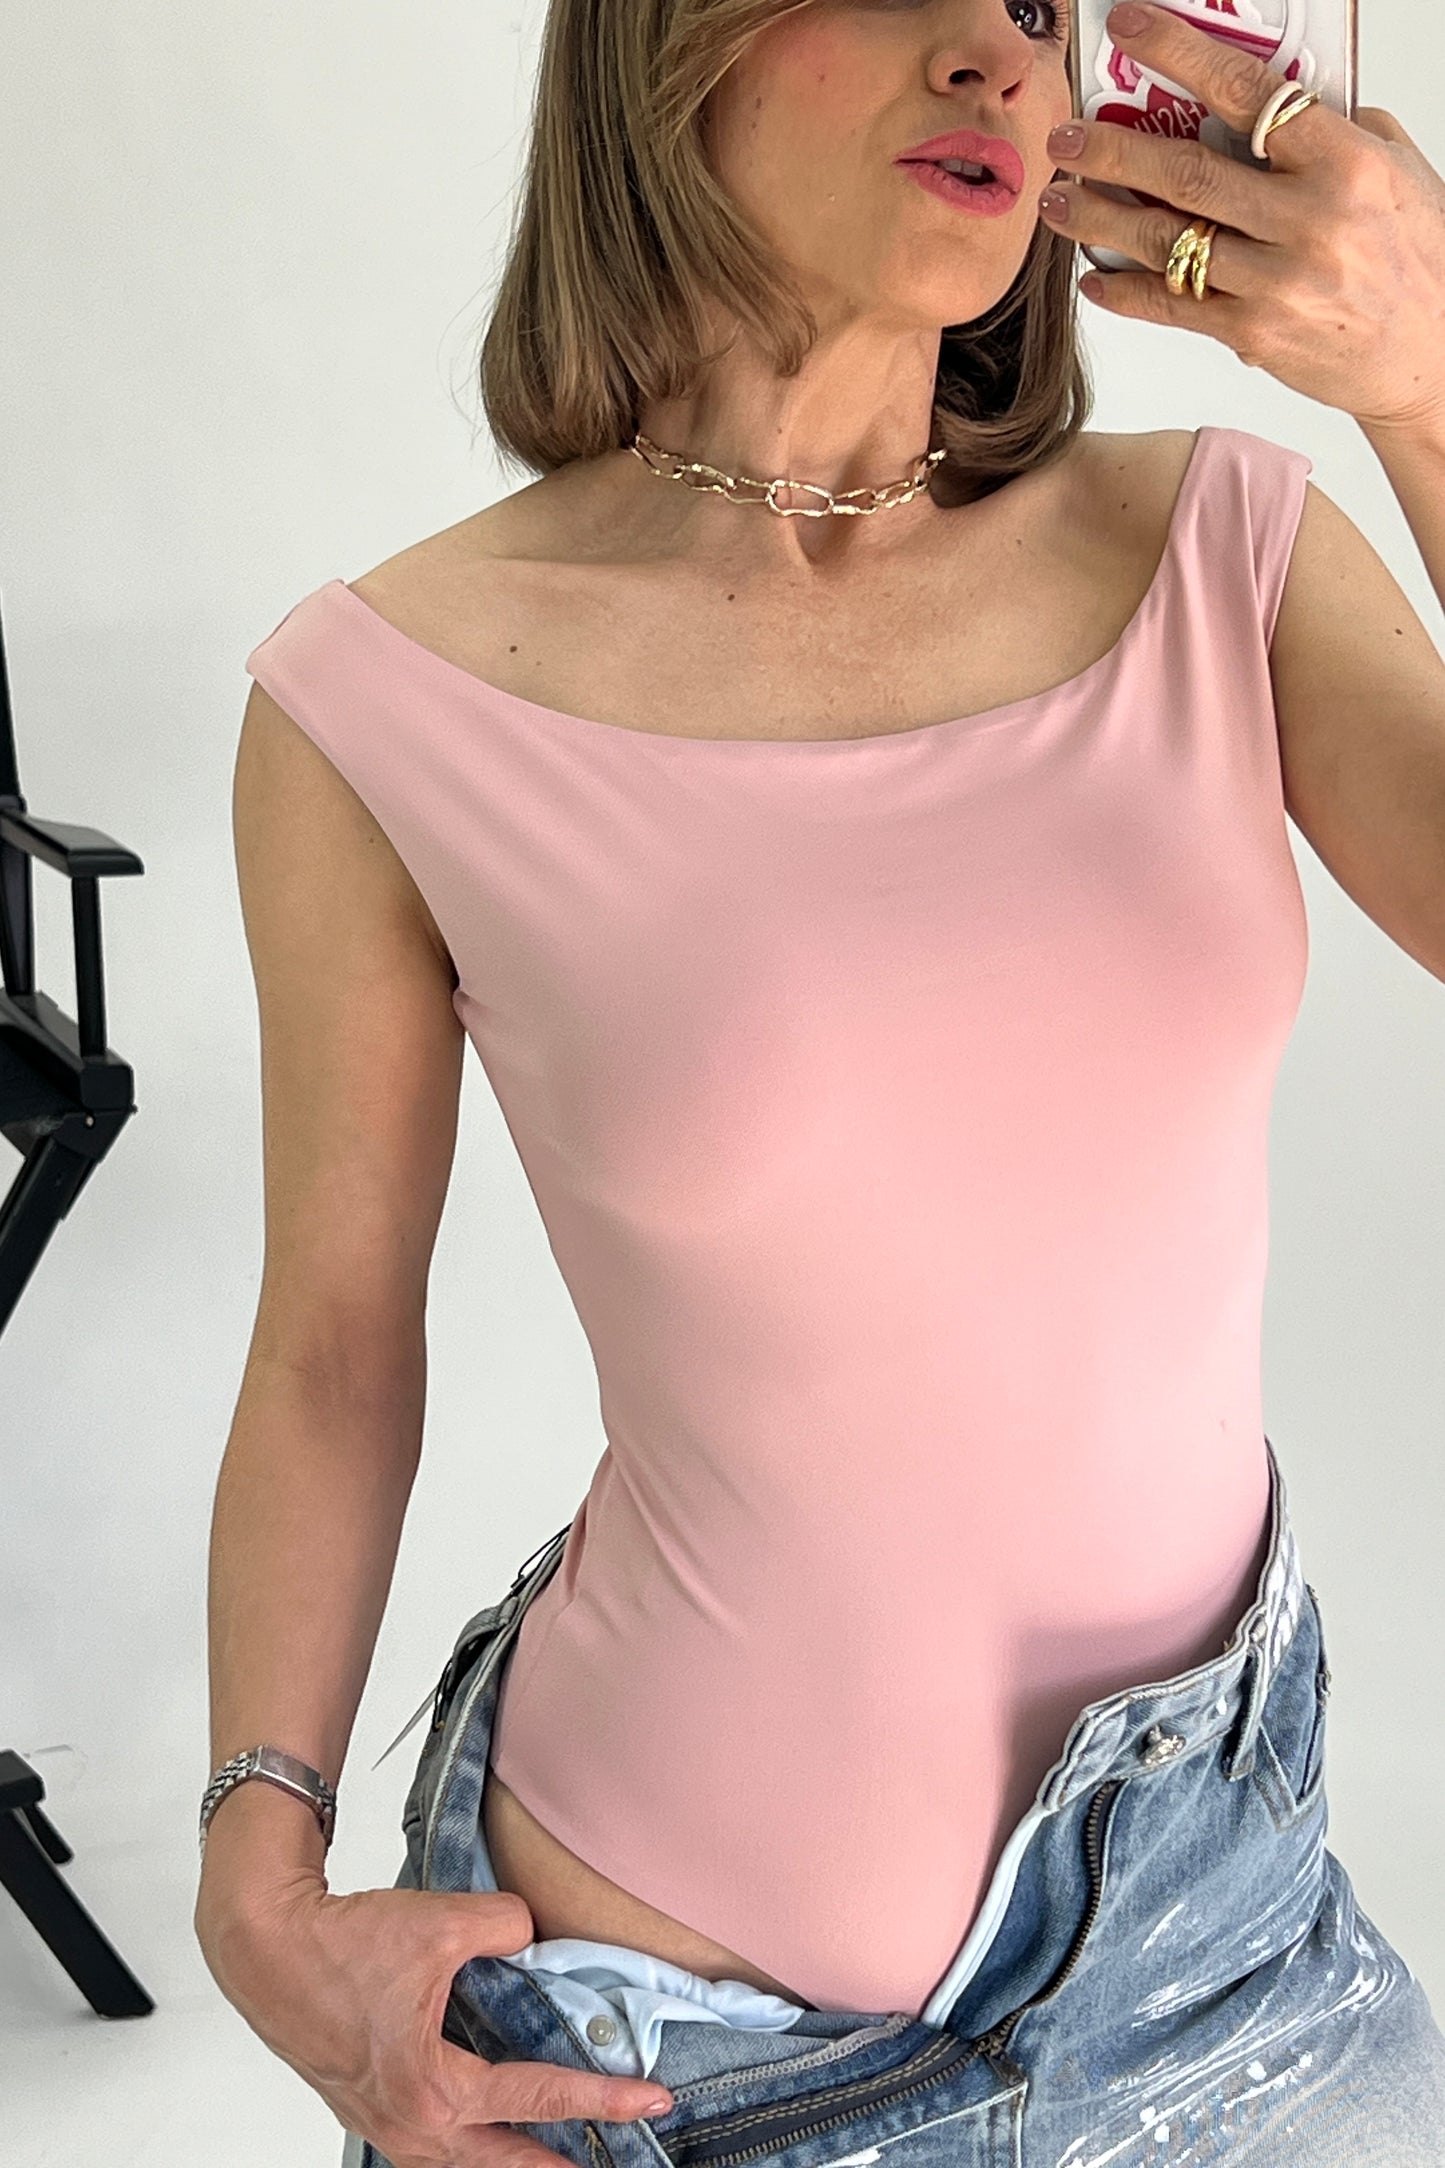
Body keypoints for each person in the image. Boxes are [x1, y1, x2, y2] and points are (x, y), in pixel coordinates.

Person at [194, 1, 1445, 2163]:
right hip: (677, 2047)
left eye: (1035, 9)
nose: (996, 54)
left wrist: (1427, 388)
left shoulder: (1220, 549)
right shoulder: (380, 699)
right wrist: (254, 1872)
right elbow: (331, 1335)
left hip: (1227, 1943)